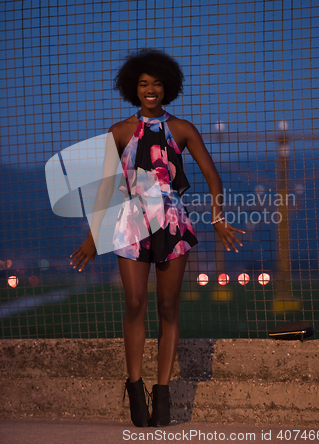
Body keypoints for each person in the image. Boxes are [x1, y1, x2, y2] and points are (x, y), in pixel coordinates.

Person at [70, 49, 245, 427]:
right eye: (144, 84)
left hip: (172, 224)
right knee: (134, 304)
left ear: (168, 87)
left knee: (168, 307)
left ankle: (162, 393)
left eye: (158, 83)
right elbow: (104, 190)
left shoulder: (182, 129)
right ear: (134, 88)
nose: (151, 90)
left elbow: (213, 177)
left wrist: (217, 219)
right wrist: (91, 237)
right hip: (130, 224)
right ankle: (135, 388)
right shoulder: (118, 132)